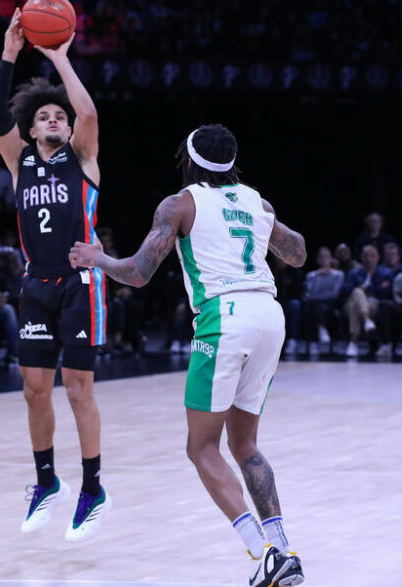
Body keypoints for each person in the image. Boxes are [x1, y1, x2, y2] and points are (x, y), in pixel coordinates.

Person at [68, 123, 306, 587]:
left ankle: (264, 554)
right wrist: (268, 224)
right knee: (245, 445)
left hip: (225, 317)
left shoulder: (179, 204)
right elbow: (296, 253)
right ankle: (283, 549)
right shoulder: (258, 202)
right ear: (233, 163)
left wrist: (98, 258)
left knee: (201, 448)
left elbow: (138, 273)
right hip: (269, 314)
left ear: (191, 161)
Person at [0, 9, 110, 541]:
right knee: (34, 391)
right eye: (45, 117)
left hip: (80, 283)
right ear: (32, 128)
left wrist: (61, 59)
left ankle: (93, 488)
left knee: (78, 388)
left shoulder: (82, 160)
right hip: (36, 284)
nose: (55, 120)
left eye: (59, 116)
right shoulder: (21, 164)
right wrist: (10, 53)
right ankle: (46, 482)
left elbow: (88, 114)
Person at [342, 244, 394, 359]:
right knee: (356, 292)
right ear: (361, 257)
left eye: (372, 256)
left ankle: (353, 343)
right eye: (366, 256)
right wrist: (366, 290)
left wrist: (366, 289)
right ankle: (366, 320)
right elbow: (346, 290)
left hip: (373, 304)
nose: (369, 259)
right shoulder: (354, 273)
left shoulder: (386, 273)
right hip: (351, 301)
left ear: (378, 257)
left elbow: (386, 292)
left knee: (355, 305)